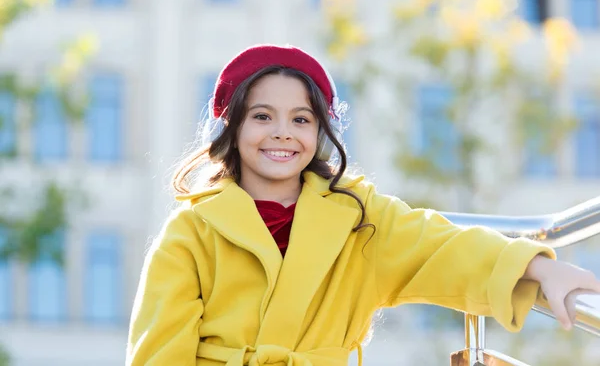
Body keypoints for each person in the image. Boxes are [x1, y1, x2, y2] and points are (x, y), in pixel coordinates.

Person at [126, 44, 600, 366]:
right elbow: (159, 350)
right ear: (232, 128)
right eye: (262, 116)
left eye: (301, 118)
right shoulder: (189, 233)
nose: (282, 133)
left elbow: (439, 247)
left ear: (320, 132)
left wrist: (538, 268)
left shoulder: (360, 219)